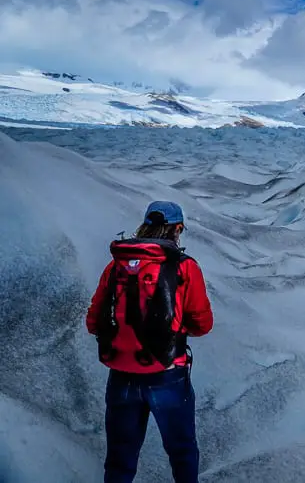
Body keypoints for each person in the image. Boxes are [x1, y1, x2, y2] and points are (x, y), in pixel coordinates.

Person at [86, 201, 213, 483]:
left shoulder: (115, 265)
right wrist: (173, 331)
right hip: (168, 373)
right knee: (182, 453)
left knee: (120, 459)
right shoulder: (185, 267)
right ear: (177, 229)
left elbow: (93, 321)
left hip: (121, 375)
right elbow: (203, 324)